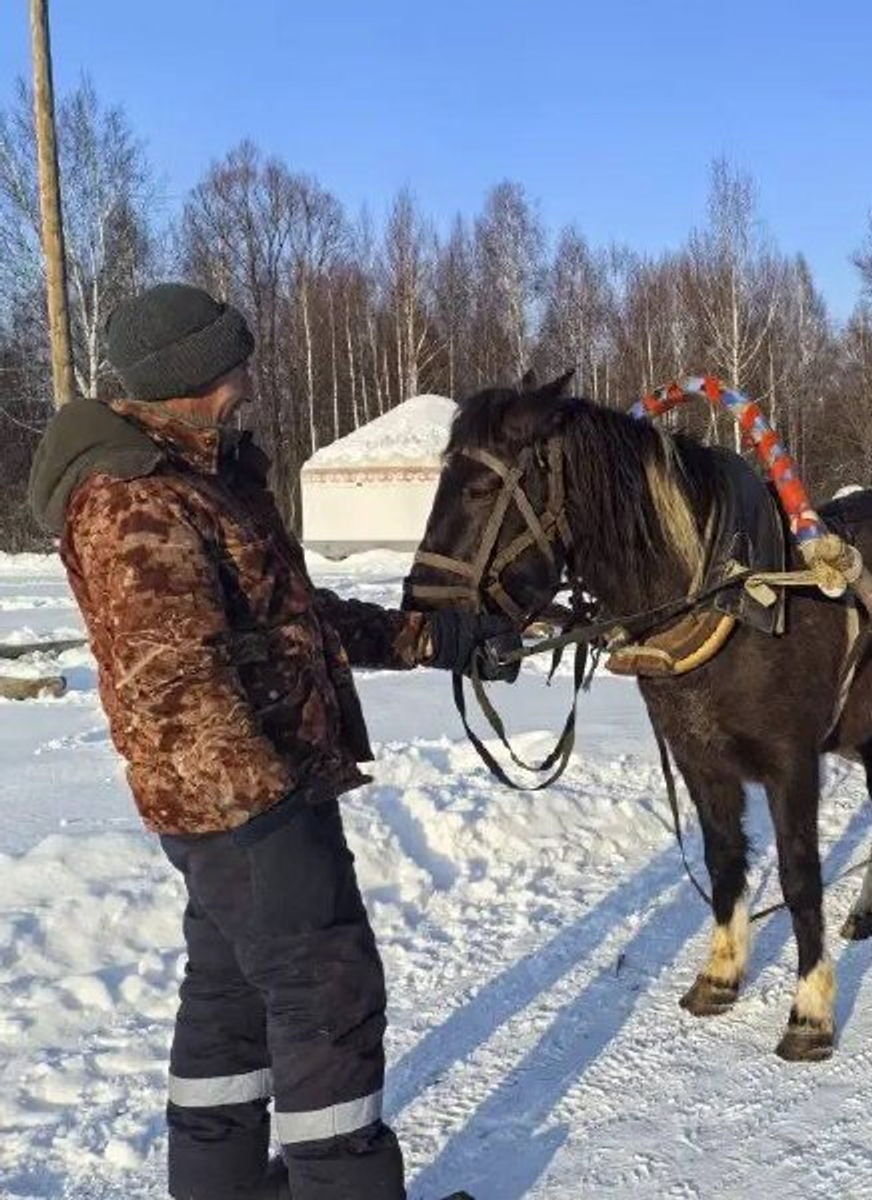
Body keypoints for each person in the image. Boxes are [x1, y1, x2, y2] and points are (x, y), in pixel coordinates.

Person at [26, 283, 513, 1200]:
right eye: (235, 351)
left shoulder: (207, 476)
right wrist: (267, 815)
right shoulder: (136, 500)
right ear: (195, 372)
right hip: (243, 806)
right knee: (327, 995)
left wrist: (432, 638)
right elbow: (175, 681)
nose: (249, 366)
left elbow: (291, 618)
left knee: (232, 1001)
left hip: (235, 802)